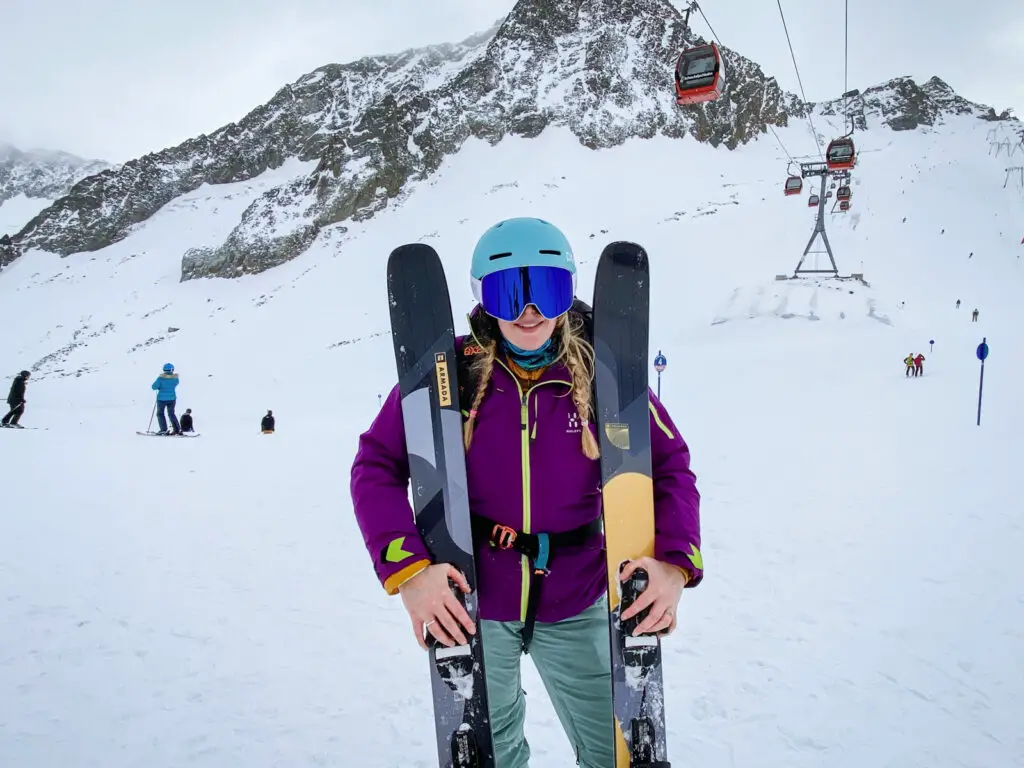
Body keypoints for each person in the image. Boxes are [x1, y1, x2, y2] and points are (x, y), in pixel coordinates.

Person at [350, 218, 703, 768]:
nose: (530, 311)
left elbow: (670, 467)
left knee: (614, 753)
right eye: (510, 293)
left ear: (569, 293)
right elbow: (375, 466)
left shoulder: (602, 375)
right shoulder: (450, 376)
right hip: (475, 600)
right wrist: (411, 572)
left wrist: (675, 565)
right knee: (496, 757)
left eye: (548, 290)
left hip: (578, 596)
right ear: (484, 300)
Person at [151, 363, 180, 435]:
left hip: (161, 399)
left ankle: (163, 429)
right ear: (172, 369)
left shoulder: (160, 378)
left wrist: (160, 387)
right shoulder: (175, 378)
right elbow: (175, 384)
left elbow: (154, 387)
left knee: (160, 414)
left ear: (164, 369)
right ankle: (177, 429)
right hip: (172, 398)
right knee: (171, 414)